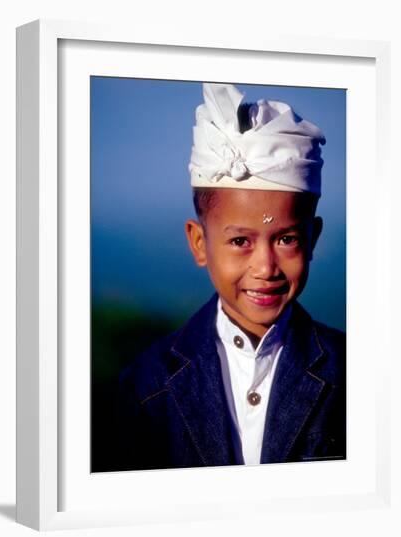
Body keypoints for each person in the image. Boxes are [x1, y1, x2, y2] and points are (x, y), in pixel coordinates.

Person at [111, 82, 346, 471]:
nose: (266, 267)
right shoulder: (145, 387)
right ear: (199, 243)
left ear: (313, 238)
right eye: (240, 241)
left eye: (286, 238)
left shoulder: (355, 374)